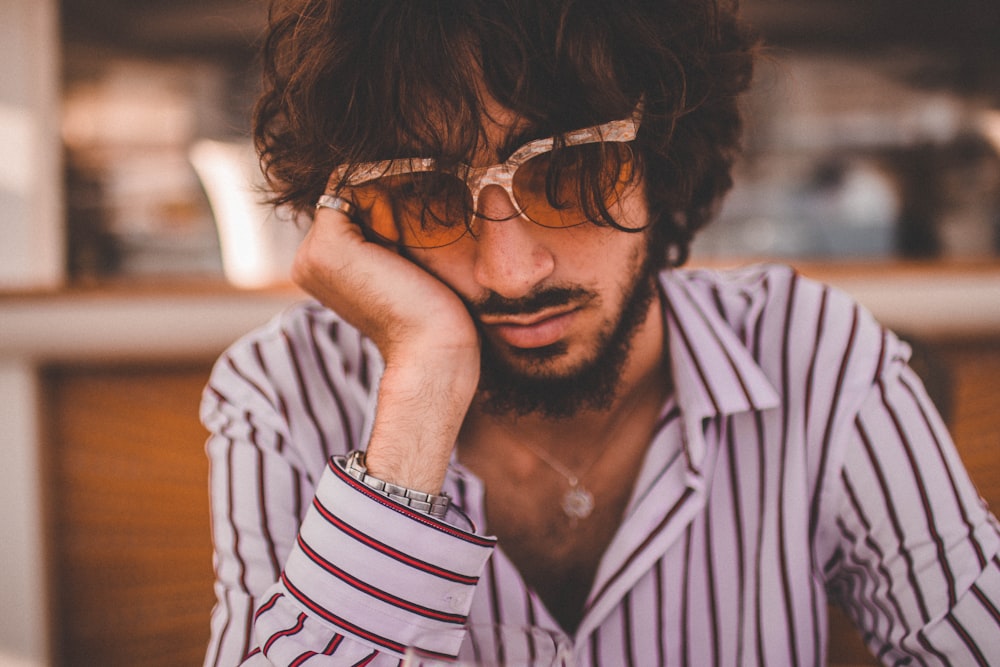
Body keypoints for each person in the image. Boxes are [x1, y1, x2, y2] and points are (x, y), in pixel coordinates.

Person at [201, 1, 1000, 664]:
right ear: (359, 224)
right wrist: (421, 391)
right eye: (424, 196)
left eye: (571, 171)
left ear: (662, 154)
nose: (512, 271)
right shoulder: (282, 394)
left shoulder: (813, 355)